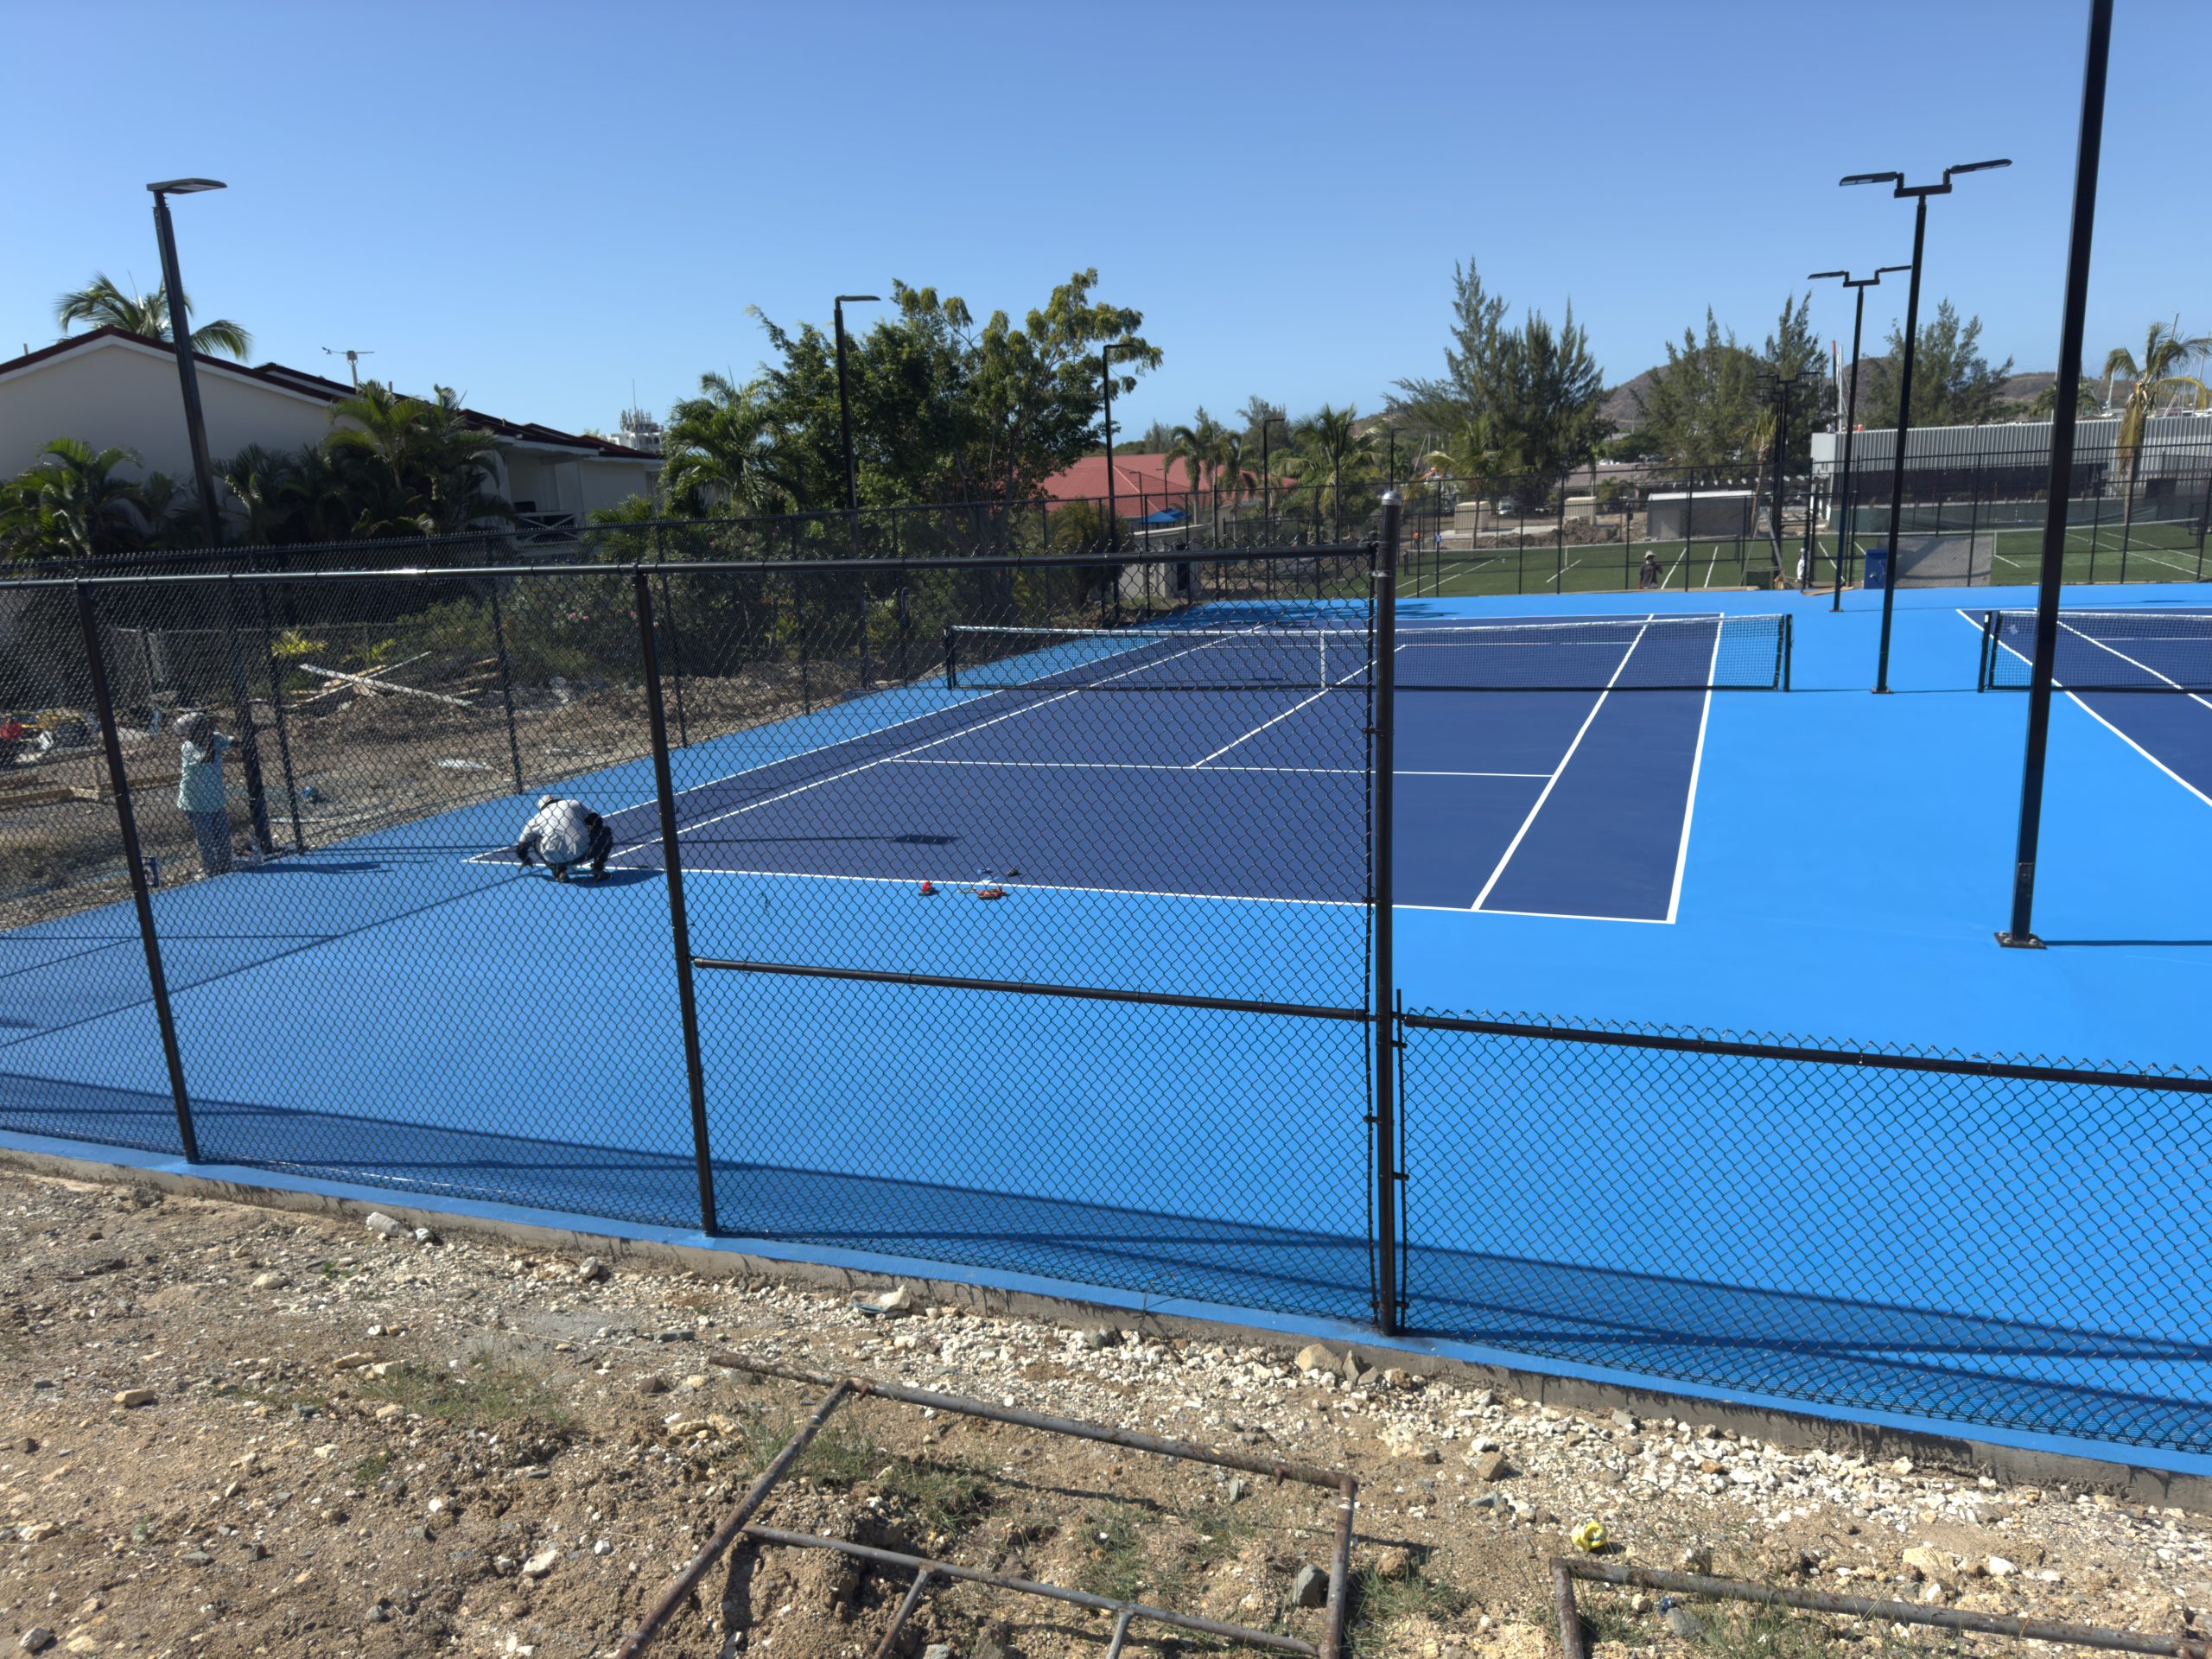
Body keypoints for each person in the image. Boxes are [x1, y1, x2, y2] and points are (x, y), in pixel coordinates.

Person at [173, 712, 234, 876]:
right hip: (196, 802)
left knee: (223, 837)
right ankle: (211, 871)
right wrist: (210, 738)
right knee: (206, 839)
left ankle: (226, 868)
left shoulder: (216, 738)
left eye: (205, 726)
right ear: (191, 731)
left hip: (215, 799)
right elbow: (207, 758)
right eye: (200, 727)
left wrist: (226, 731)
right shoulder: (188, 747)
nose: (205, 730)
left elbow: (235, 743)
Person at [514, 793, 612, 882]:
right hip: (584, 853)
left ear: (542, 808)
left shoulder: (535, 820)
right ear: (557, 800)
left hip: (555, 860)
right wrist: (586, 826)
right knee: (605, 831)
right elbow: (597, 821)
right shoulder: (572, 803)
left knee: (535, 839)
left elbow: (520, 848)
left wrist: (526, 859)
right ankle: (598, 868)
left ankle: (559, 872)